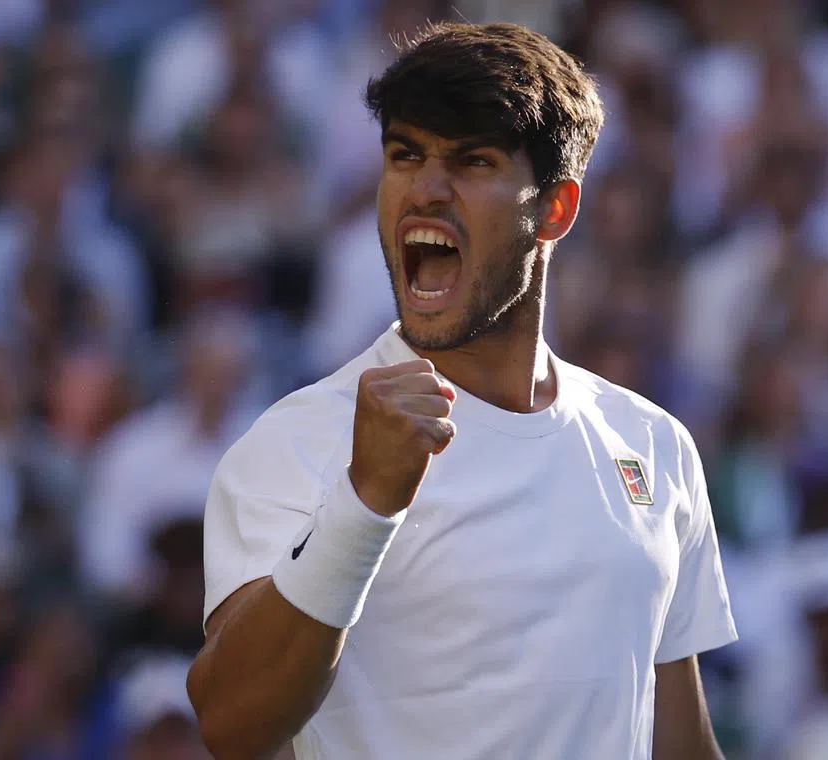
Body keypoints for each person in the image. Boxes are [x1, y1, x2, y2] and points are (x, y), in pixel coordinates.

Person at [186, 21, 737, 760]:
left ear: (556, 210)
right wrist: (364, 503)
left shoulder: (654, 445)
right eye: (405, 155)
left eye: (472, 161)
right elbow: (231, 726)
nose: (425, 189)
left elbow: (681, 743)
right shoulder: (295, 445)